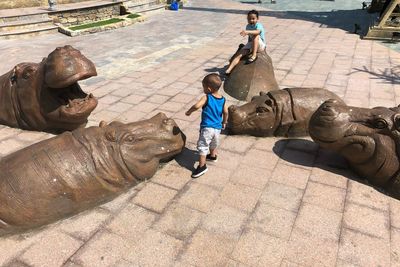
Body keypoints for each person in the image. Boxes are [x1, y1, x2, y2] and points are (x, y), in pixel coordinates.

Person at [185, 73, 228, 178]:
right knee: (214, 143)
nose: (203, 89)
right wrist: (224, 122)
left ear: (208, 88)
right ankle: (213, 156)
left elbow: (196, 106)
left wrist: (189, 112)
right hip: (217, 128)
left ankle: (202, 166)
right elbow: (226, 112)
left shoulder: (207, 97)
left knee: (203, 146)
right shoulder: (223, 99)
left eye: (203, 87)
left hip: (207, 128)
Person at [225, 9, 266, 75]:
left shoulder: (259, 25)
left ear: (257, 18)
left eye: (253, 18)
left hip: (260, 45)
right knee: (239, 54)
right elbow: (250, 38)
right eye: (249, 19)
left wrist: (247, 32)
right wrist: (247, 47)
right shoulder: (248, 26)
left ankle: (254, 55)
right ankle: (229, 70)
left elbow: (257, 32)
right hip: (252, 44)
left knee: (256, 36)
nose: (251, 20)